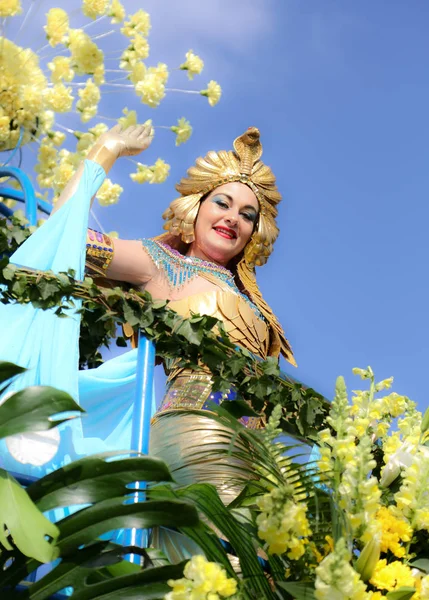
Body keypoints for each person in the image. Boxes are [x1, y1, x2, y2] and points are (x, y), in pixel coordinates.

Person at [0, 123, 296, 560]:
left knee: (251, 572)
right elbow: (65, 237)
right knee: (223, 564)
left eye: (248, 215)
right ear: (195, 207)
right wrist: (107, 150)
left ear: (256, 233)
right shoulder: (163, 265)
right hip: (198, 433)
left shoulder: (253, 300)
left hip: (255, 450)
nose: (233, 217)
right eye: (223, 202)